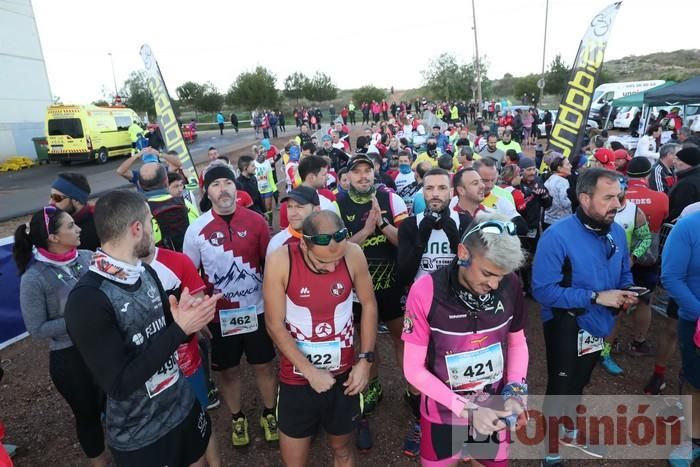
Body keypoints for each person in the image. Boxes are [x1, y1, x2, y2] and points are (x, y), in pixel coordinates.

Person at [64, 190, 219, 467]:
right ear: (137, 228)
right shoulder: (87, 299)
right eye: (150, 222)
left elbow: (161, 334)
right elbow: (119, 384)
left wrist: (185, 317)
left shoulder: (143, 271)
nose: (153, 229)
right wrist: (179, 329)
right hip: (142, 434)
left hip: (183, 407)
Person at [402, 214, 528, 466]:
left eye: (501, 276)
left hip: (493, 409)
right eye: (487, 273)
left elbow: (517, 343)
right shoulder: (426, 290)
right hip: (443, 413)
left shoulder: (510, 284)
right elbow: (412, 369)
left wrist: (515, 390)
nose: (494, 284)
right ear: (463, 253)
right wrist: (468, 410)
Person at [533, 169, 639, 465]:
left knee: (579, 382)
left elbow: (624, 272)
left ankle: (569, 429)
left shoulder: (616, 231)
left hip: (599, 322)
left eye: (618, 196)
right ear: (584, 198)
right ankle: (550, 453)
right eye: (607, 198)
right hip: (566, 323)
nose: (617, 204)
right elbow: (542, 290)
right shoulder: (557, 236)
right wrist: (595, 296)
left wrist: (628, 291)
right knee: (560, 387)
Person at [264, 210, 377, 467]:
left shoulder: (352, 254)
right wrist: (309, 371)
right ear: (304, 243)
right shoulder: (281, 259)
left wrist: (366, 360)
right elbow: (274, 324)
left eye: (337, 261)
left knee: (344, 450)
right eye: (322, 263)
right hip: (296, 378)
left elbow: (369, 305)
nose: (331, 267)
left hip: (343, 376)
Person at [183, 165, 278, 448]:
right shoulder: (196, 229)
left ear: (236, 188)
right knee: (229, 371)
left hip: (257, 310)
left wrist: (275, 309)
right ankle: (237, 417)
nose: (223, 189)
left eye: (227, 182)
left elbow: (271, 267)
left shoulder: (257, 221)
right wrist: (199, 317)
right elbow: (190, 276)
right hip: (220, 317)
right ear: (206, 191)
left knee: (264, 365)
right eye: (215, 184)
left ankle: (269, 412)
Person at [14, 206, 107, 467]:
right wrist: (78, 320)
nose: (79, 229)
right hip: (71, 360)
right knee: (88, 417)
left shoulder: (89, 257)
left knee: (118, 405)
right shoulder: (33, 279)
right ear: (53, 238)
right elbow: (37, 329)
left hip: (104, 346)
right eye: (70, 226)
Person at [397, 168, 472, 457]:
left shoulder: (464, 221)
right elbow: (403, 273)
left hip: (457, 305)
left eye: (442, 188)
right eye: (430, 189)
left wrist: (455, 242)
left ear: (452, 191)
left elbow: (473, 269)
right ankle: (421, 423)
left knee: (454, 368)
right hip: (421, 306)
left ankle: (460, 423)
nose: (436, 194)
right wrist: (420, 239)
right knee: (417, 370)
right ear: (422, 192)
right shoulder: (410, 225)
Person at [336, 153, 408, 447]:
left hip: (392, 285)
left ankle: (411, 388)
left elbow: (406, 241)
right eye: (357, 172)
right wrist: (366, 230)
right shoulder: (337, 205)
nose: (364, 176)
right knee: (365, 343)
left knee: (401, 337)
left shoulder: (392, 200)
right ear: (348, 176)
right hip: (354, 290)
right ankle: (373, 384)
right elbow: (336, 250)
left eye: (368, 171)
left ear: (375, 173)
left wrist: (382, 226)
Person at [142, 245, 222, 467]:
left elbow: (199, 304)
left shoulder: (177, 261)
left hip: (186, 360)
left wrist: (197, 310)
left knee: (200, 418)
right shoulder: (118, 272)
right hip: (146, 371)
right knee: (161, 428)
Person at [661, 211, 700, 466]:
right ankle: (694, 439)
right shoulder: (688, 226)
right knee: (696, 382)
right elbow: (672, 277)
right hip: (695, 321)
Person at [139, 163, 199, 252]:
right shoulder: (185, 204)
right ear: (166, 181)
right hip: (188, 260)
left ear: (139, 185)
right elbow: (199, 233)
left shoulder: (139, 212)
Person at [49, 173, 100, 251]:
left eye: (57, 198)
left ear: (76, 200)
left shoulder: (96, 227)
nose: (50, 202)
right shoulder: (56, 219)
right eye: (51, 196)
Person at [266, 186, 320, 257]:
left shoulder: (328, 238)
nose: (293, 213)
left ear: (316, 210)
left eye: (299, 207)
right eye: (289, 206)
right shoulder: (277, 244)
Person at [668, 147, 700, 222]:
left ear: (688, 162)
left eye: (678, 160)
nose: (674, 162)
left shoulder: (686, 184)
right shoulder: (690, 177)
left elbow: (679, 210)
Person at [543, 157, 573, 228]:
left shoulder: (549, 179)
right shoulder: (563, 182)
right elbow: (565, 203)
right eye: (568, 164)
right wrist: (574, 198)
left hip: (548, 220)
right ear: (559, 168)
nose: (571, 166)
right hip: (561, 222)